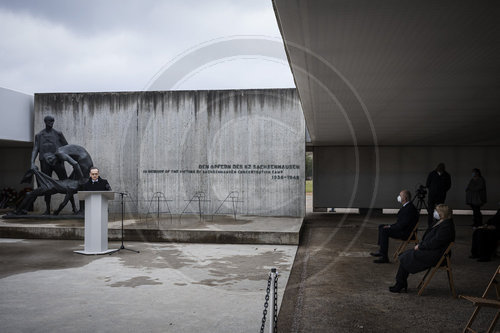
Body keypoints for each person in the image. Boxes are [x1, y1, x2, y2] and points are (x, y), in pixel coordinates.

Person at [389, 204, 455, 293]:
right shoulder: (440, 222)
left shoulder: (446, 227)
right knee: (406, 255)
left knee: (408, 256)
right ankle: (400, 282)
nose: (434, 212)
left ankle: (400, 284)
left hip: (438, 255)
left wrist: (420, 246)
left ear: (442, 213)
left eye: (437, 211)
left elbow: (435, 242)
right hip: (432, 250)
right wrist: (422, 245)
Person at [30, 115, 69, 214]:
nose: (51, 123)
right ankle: (47, 209)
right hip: (45, 162)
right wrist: (32, 162)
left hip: (57, 162)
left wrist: (59, 156)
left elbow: (67, 147)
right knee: (46, 185)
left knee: (67, 182)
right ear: (45, 122)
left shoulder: (58, 134)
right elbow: (35, 149)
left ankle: (73, 207)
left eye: (52, 121)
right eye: (50, 121)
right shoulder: (39, 135)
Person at [370, 189, 419, 263]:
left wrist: (390, 227)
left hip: (406, 233)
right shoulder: (407, 206)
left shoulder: (410, 209)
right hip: (402, 229)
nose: (398, 197)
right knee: (381, 226)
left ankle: (384, 257)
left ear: (405, 198)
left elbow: (402, 225)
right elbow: (401, 223)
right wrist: (390, 226)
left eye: (400, 195)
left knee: (384, 230)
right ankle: (381, 251)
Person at [426, 163, 451, 227]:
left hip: (441, 196)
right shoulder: (432, 174)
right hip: (432, 195)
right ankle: (430, 224)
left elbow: (448, 185)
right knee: (430, 210)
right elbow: (428, 184)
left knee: (440, 210)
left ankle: (438, 223)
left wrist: (443, 190)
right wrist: (432, 190)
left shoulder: (447, 175)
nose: (440, 168)